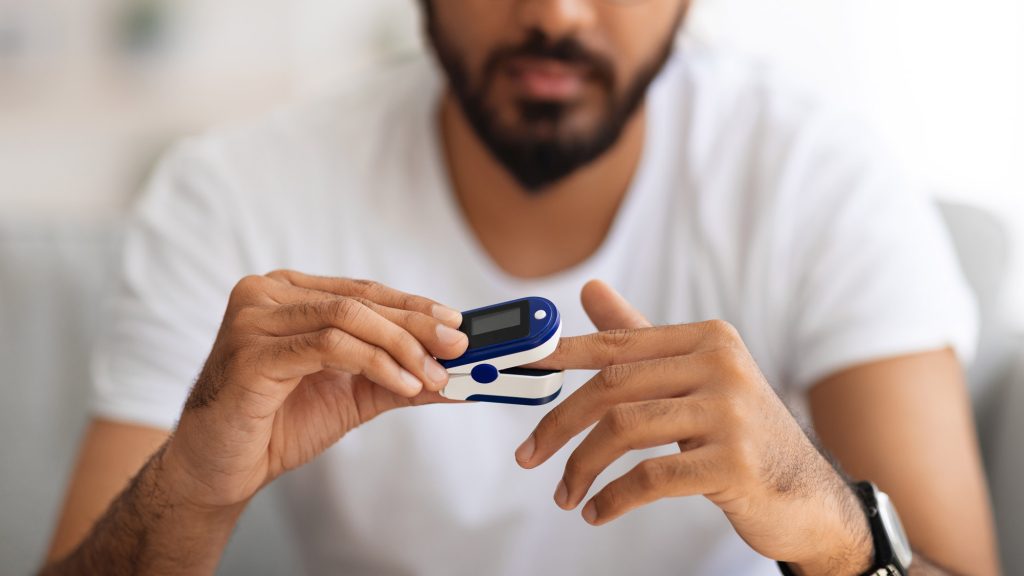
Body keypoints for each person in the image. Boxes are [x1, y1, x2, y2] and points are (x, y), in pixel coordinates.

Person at [42, 1, 1000, 574]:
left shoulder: (819, 177)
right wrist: (194, 486)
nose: (553, 13)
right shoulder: (232, 195)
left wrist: (833, 536)